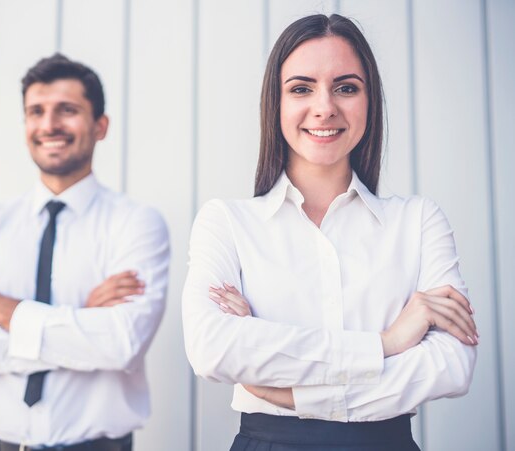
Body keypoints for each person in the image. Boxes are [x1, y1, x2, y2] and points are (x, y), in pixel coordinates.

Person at [182, 14, 477, 451]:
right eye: (302, 88)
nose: (325, 107)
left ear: (369, 100)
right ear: (275, 103)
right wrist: (388, 343)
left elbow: (451, 365)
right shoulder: (226, 221)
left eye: (346, 87)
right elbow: (213, 348)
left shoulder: (418, 221)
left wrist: (288, 391)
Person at [0, 53, 169, 451]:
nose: (48, 125)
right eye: (35, 111)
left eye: (67, 110)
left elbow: (121, 345)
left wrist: (0, 311)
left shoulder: (137, 223)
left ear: (101, 126)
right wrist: (82, 322)